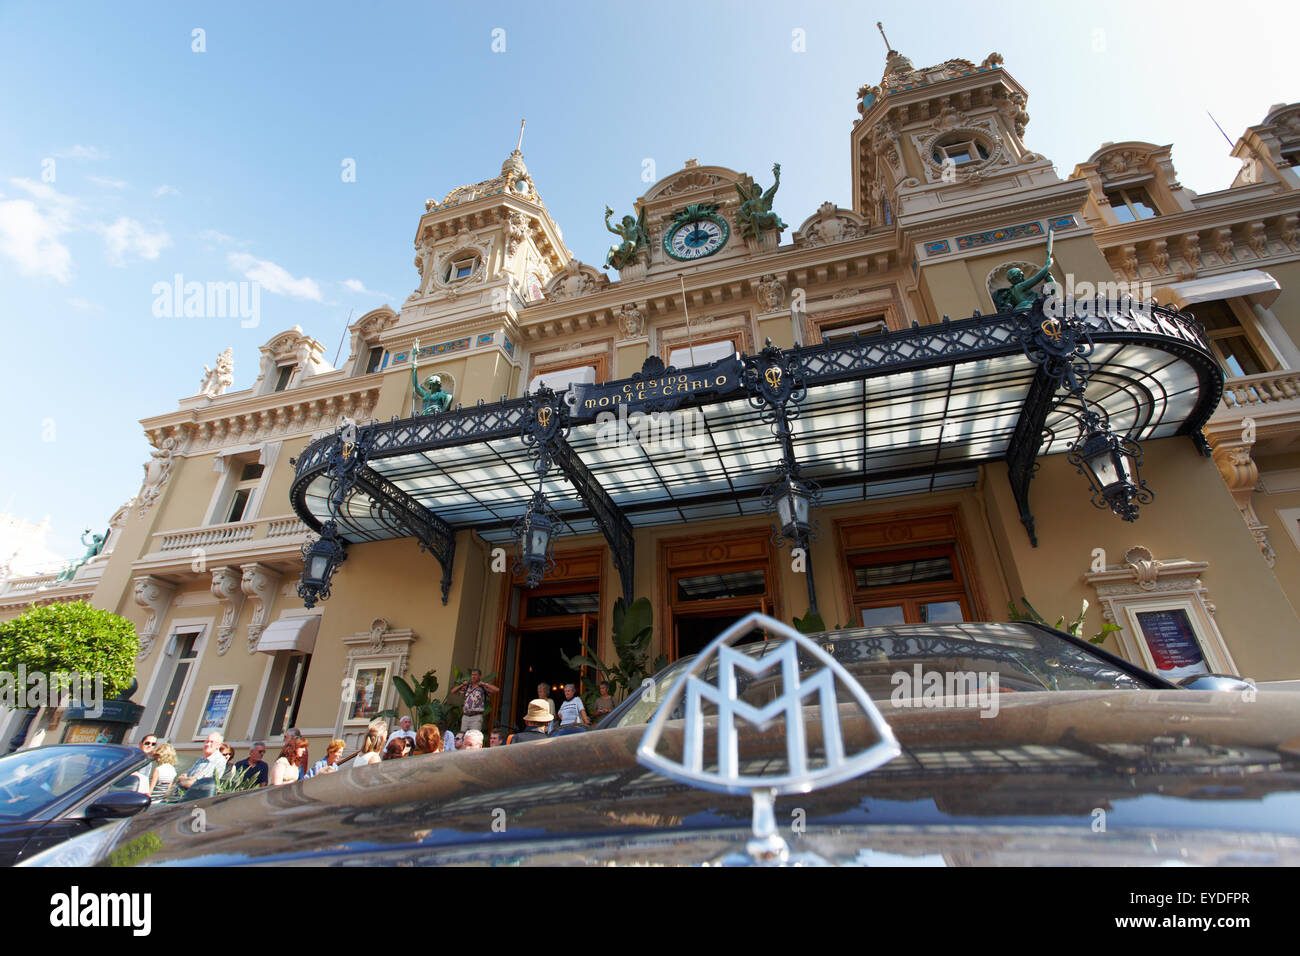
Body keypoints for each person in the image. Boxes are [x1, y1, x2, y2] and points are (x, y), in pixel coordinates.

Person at [176, 732, 228, 799]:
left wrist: (184, 780)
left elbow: (198, 784)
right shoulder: (201, 760)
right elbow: (186, 776)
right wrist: (185, 779)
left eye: (212, 742)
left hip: (196, 799)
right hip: (182, 795)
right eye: (206, 741)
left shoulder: (218, 761)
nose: (208, 744)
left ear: (218, 745)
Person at [450, 669, 499, 733]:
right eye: (472, 675)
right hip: (465, 716)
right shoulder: (467, 686)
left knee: (474, 736)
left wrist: (484, 684)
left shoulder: (482, 687)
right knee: (462, 736)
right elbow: (452, 691)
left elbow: (496, 690)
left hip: (476, 717)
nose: (473, 676)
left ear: (479, 676)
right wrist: (462, 685)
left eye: (475, 675)